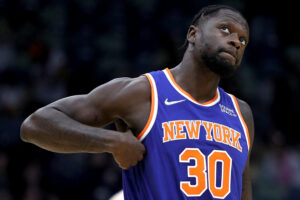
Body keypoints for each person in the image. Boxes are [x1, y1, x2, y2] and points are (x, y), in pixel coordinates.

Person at [20, 4, 254, 200]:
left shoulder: (240, 113)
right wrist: (110, 141)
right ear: (193, 34)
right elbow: (35, 125)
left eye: (243, 40)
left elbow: (244, 194)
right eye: (225, 29)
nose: (236, 41)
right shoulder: (145, 92)